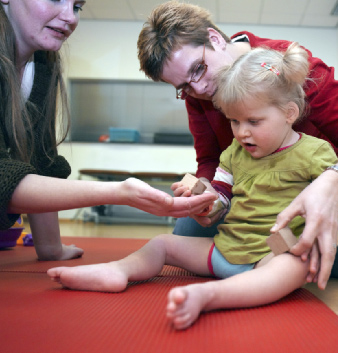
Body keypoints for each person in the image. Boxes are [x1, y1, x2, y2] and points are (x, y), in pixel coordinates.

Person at [47, 44, 338, 330]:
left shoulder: (316, 153)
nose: (242, 132)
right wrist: (205, 201)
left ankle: (211, 296)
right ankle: (118, 271)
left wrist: (324, 242)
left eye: (254, 121)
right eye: (234, 121)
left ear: (289, 114)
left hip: (273, 252)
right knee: (162, 243)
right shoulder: (233, 153)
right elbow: (221, 199)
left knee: (294, 263)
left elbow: (335, 207)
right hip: (224, 248)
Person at [137, 1, 338, 289]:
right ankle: (271, 263)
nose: (197, 90)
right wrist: (207, 192)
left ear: (214, 39)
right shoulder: (198, 94)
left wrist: (333, 184)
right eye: (183, 87)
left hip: (327, 181)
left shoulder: (289, 68)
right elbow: (210, 161)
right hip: (254, 192)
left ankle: (276, 260)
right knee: (189, 230)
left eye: (198, 69)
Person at [0, 0, 216, 260]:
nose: (70, 17)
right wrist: (121, 193)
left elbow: (40, 160)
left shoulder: (42, 64)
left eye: (78, 7)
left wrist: (51, 249)